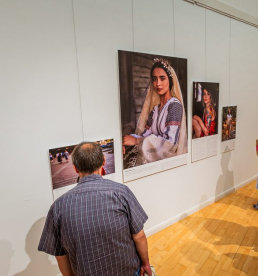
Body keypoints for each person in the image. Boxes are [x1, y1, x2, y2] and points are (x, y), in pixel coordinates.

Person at [38, 142, 152, 276]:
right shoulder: (121, 192)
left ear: (75, 168)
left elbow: (60, 255)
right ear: (103, 161)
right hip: (127, 271)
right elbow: (139, 236)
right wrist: (145, 263)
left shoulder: (59, 206)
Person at [123, 58, 187, 168]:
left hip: (169, 165)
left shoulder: (174, 106)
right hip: (155, 164)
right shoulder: (155, 109)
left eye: (162, 78)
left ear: (170, 81)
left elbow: (170, 145)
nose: (158, 83)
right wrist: (126, 140)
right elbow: (145, 134)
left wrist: (137, 141)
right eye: (154, 79)